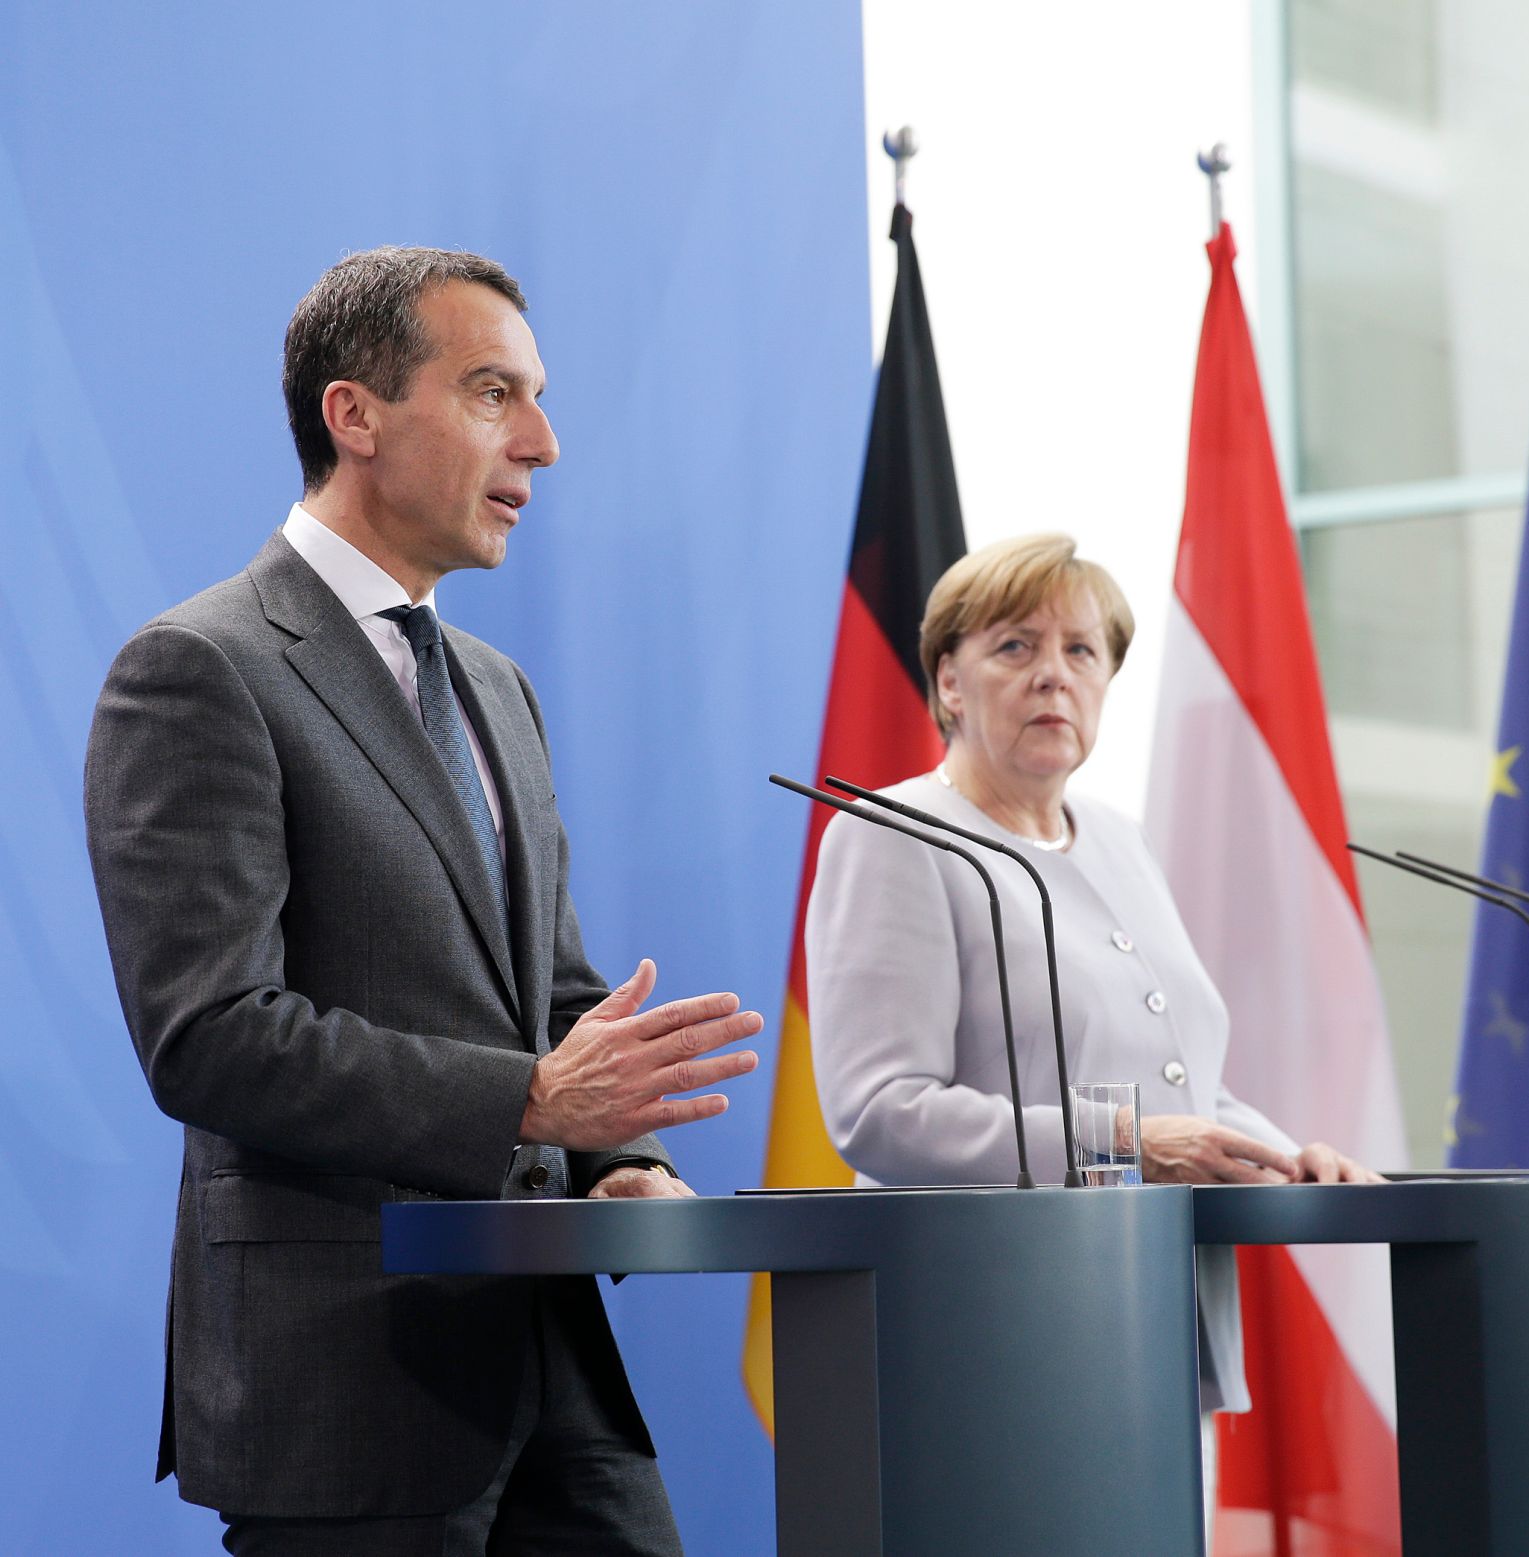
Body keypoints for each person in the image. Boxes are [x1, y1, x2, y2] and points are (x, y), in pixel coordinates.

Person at [84, 247, 762, 1555]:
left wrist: (619, 1160)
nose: (547, 443)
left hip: (553, 1370)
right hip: (349, 1378)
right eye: (495, 392)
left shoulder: (496, 686)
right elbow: (210, 1034)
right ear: (357, 416)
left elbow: (550, 1000)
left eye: (540, 397)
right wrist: (527, 1103)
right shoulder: (198, 669)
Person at [805, 531, 1377, 1419]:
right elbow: (880, 1112)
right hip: (987, 1335)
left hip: (1154, 1315)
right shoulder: (894, 835)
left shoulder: (1119, 838)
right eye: (1014, 646)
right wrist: (1124, 1139)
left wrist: (1286, 1157)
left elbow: (1182, 1083)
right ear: (949, 682)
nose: (1053, 674)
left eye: (1082, 649)